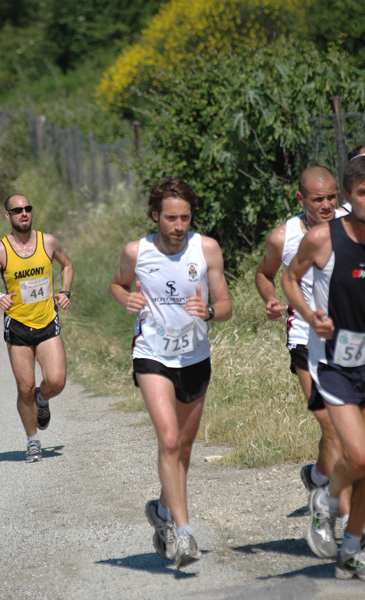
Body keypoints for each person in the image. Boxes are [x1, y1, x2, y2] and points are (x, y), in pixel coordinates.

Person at [110, 177, 232, 568]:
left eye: (185, 218)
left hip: (194, 357)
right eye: (171, 218)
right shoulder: (137, 251)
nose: (179, 226)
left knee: (183, 447)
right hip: (152, 355)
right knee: (167, 439)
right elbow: (117, 283)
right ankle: (184, 532)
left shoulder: (206, 248)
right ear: (155, 216)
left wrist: (210, 311)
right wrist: (125, 297)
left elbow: (227, 304)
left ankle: (163, 508)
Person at [282, 155, 365, 579]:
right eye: (363, 192)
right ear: (352, 197)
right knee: (357, 452)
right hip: (334, 361)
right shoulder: (319, 238)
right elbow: (284, 277)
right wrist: (310, 315)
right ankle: (327, 499)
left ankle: (351, 546)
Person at [255, 166, 351, 521]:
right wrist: (269, 300)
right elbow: (264, 274)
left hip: (350, 338)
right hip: (305, 339)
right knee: (333, 429)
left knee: (347, 434)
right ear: (300, 198)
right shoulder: (284, 237)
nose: (326, 206)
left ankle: (318, 477)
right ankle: (347, 530)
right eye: (317, 199)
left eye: (331, 198)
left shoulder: (352, 223)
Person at [0, 194, 73, 463]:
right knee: (24, 387)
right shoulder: (1, 250)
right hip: (18, 326)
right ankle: (33, 442)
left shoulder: (48, 242)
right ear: (7, 215)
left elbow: (67, 265)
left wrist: (65, 291)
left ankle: (41, 400)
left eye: (27, 208)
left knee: (55, 381)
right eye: (17, 210)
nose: (24, 213)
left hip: (46, 321)